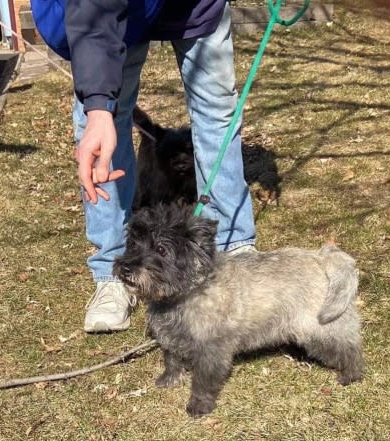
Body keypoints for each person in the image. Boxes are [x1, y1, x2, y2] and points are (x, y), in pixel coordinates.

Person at [65, 0, 257, 333]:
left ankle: (235, 248)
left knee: (217, 111)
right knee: (102, 117)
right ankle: (113, 270)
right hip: (118, 13)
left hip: (197, 6)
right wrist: (97, 107)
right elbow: (93, 13)